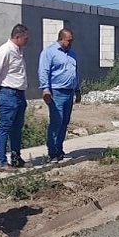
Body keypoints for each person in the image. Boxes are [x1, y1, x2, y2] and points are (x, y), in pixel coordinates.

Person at [0, 24, 29, 172]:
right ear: (17, 37)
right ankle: (1, 162)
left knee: (17, 128)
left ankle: (16, 158)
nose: (27, 40)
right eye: (25, 38)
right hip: (7, 94)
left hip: (19, 94)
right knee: (5, 127)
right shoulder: (5, 51)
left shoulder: (18, 51)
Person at [38, 28, 81, 163]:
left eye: (72, 40)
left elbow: (75, 73)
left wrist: (77, 89)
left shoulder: (72, 54)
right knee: (57, 121)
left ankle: (59, 149)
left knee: (64, 122)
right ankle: (52, 152)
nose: (71, 43)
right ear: (61, 39)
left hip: (69, 92)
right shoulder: (49, 52)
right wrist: (46, 89)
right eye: (69, 40)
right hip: (56, 92)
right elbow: (43, 71)